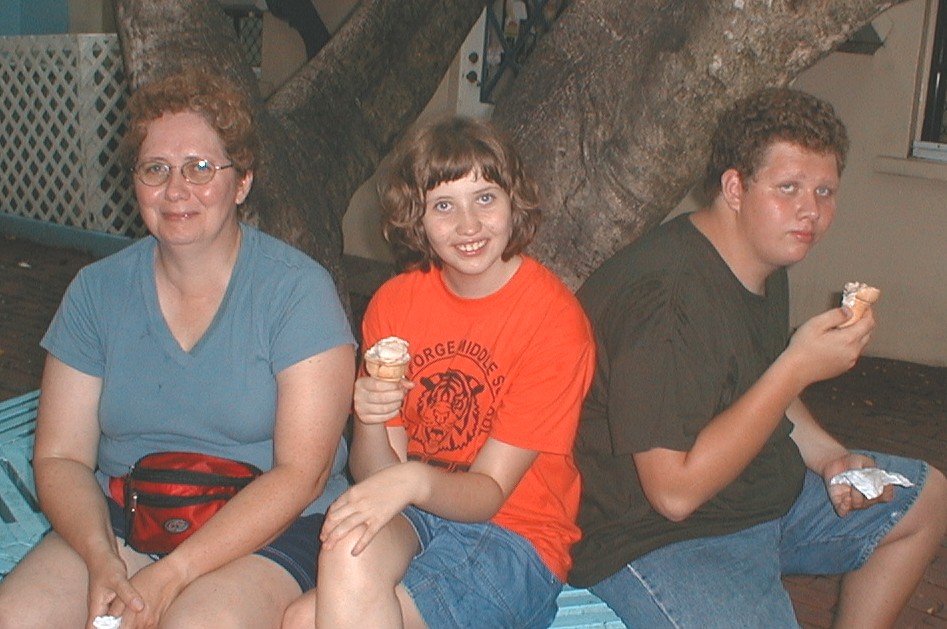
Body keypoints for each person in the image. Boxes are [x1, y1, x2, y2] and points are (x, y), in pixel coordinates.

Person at [569, 87, 947, 628]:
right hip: (655, 537)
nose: (810, 212)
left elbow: (764, 389)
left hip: (755, 495)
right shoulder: (665, 298)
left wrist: (831, 458)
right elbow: (673, 493)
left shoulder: (761, 261)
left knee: (925, 500)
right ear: (735, 187)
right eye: (788, 188)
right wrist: (798, 363)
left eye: (824, 191)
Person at [0, 69, 356, 629]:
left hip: (268, 526)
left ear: (241, 183)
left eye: (200, 168)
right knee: (15, 616)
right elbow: (61, 456)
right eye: (156, 169)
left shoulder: (296, 292)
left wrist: (172, 573)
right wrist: (101, 559)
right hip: (130, 513)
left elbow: (300, 474)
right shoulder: (98, 291)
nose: (175, 190)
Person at [282, 117, 596, 629]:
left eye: (486, 198)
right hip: (418, 510)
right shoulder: (394, 304)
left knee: (302, 621)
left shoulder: (554, 321)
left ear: (514, 202)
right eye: (444, 206)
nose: (468, 225)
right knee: (344, 548)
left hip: (513, 536)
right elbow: (377, 475)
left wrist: (409, 480)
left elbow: (490, 491)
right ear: (416, 219)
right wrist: (370, 416)